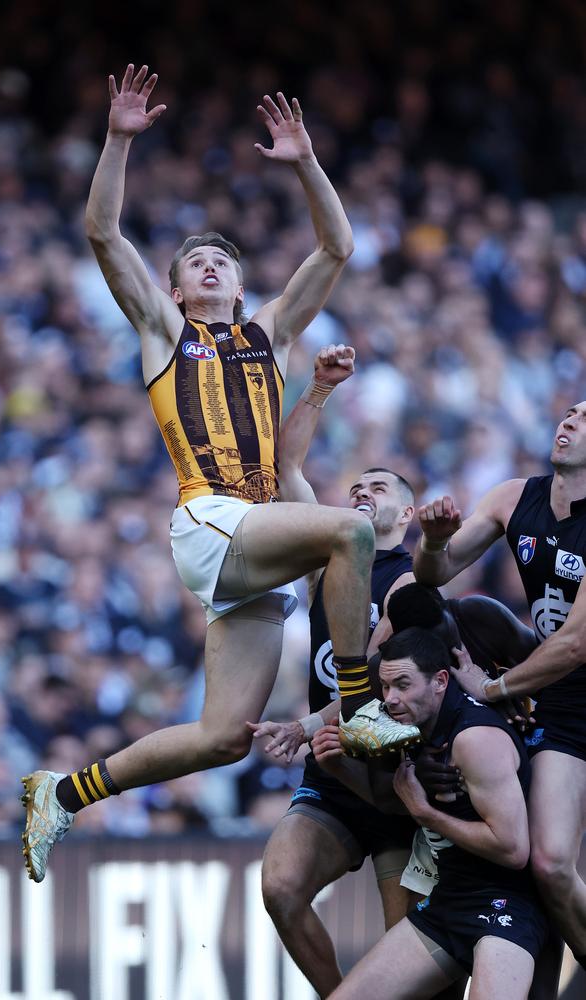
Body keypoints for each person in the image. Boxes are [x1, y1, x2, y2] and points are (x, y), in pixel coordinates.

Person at [20, 65, 418, 883]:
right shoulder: (165, 331)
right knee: (350, 527)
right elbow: (103, 233)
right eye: (195, 261)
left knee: (223, 737)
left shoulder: (268, 332)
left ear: (240, 286)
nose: (209, 267)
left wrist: (307, 162)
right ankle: (361, 707)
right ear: (172, 288)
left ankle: (62, 792)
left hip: (253, 546)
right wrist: (117, 141)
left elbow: (336, 247)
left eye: (221, 263)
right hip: (213, 519)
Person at [250, 347, 419, 996]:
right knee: (280, 888)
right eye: (356, 487)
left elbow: (379, 679)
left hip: (399, 778)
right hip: (336, 773)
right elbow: (287, 467)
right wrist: (318, 388)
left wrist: (305, 721)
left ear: (405, 516)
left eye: (378, 489)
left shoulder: (412, 585)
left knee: (412, 957)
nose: (360, 493)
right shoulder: (327, 564)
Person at [413, 400, 586, 970]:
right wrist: (435, 541)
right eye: (569, 412)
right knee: (549, 867)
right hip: (563, 699)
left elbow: (575, 644)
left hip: (562, 683)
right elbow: (434, 576)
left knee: (552, 865)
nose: (569, 421)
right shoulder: (514, 497)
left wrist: (493, 690)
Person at [313, 628, 548, 1000]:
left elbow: (514, 849)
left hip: (506, 906)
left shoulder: (475, 739)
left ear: (440, 681)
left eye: (403, 685)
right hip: (448, 902)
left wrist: (425, 812)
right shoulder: (413, 722)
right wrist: (339, 766)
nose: (391, 699)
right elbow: (392, 796)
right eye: (386, 687)